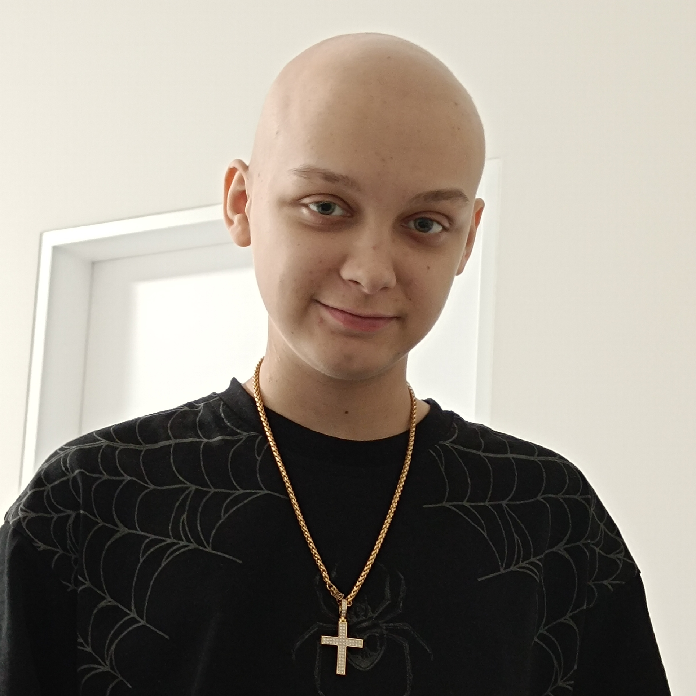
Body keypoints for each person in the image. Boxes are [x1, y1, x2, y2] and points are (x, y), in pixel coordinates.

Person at [0, 33, 670, 696]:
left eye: (425, 223)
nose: (371, 271)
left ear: (468, 239)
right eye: (326, 207)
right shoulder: (84, 501)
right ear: (241, 202)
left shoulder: (552, 520)